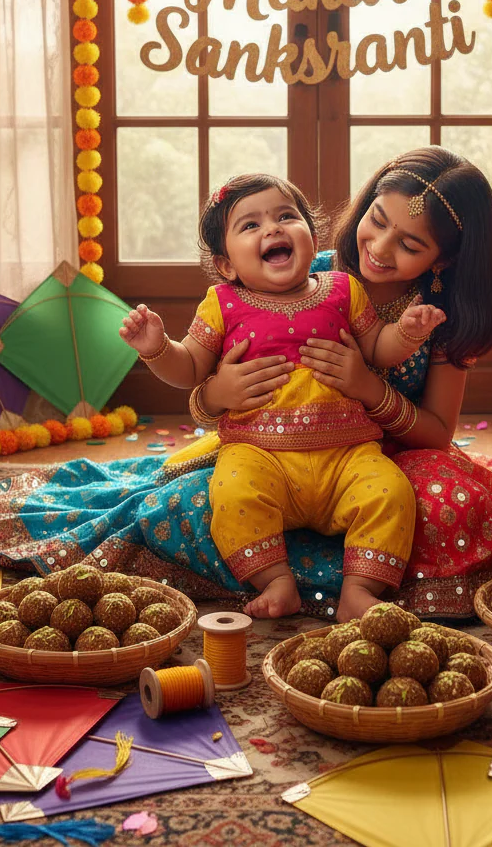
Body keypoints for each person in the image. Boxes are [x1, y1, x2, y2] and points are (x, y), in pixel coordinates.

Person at [0, 147, 492, 617]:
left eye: (408, 244)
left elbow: (438, 435)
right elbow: (201, 377)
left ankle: (360, 583)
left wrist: (371, 385)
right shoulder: (305, 275)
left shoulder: (444, 317)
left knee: (440, 497)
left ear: (441, 262)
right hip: (265, 454)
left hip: (382, 457)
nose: (378, 246)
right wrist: (208, 396)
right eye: (376, 220)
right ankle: (283, 573)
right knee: (185, 502)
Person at [116, 172, 445, 619]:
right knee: (230, 494)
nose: (272, 228)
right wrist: (156, 348)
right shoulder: (223, 303)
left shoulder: (344, 290)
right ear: (228, 264)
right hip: (258, 455)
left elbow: (376, 350)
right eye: (249, 226)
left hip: (347, 453)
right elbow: (190, 367)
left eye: (286, 216)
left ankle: (359, 590)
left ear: (312, 237)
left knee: (391, 493)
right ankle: (276, 580)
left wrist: (405, 333)